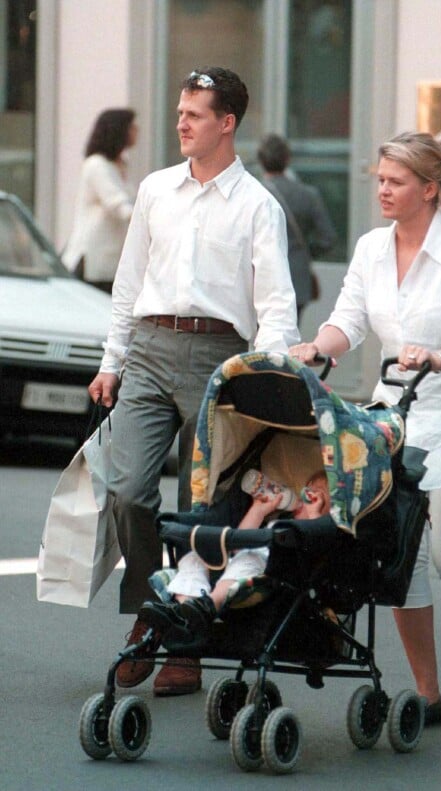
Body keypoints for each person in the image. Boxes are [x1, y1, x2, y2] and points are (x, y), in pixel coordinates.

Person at [290, 132, 441, 725]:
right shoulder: (372, 248)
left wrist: (440, 355)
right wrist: (315, 347)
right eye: (379, 180)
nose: (382, 190)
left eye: (394, 182)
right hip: (392, 419)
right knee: (398, 557)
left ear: (429, 188)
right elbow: (346, 320)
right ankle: (428, 694)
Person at [88, 67, 299, 697]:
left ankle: (185, 644)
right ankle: (150, 612)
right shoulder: (155, 191)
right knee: (128, 489)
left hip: (223, 359)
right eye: (180, 111)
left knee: (203, 508)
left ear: (227, 123)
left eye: (195, 114)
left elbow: (277, 307)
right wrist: (111, 361)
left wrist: (268, 382)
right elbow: (128, 284)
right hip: (150, 351)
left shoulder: (259, 207)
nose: (180, 122)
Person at [138, 471, 331, 642]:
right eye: (306, 490)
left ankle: (210, 604)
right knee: (194, 557)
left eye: (313, 497)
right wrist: (258, 510)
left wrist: (315, 518)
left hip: (265, 578)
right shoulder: (278, 522)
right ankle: (184, 609)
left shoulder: (314, 533)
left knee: (248, 558)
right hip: (233, 565)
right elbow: (239, 544)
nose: (305, 498)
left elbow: (312, 550)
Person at [257, 133, 337, 320]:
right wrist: (305, 252)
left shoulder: (254, 194)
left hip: (260, 277)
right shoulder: (308, 194)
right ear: (287, 159)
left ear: (261, 160)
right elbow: (328, 238)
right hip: (296, 277)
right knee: (289, 338)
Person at [63, 108, 138, 292]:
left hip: (111, 259)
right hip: (94, 260)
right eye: (132, 127)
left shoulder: (119, 165)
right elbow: (117, 204)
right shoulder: (97, 165)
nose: (137, 132)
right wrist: (149, 217)